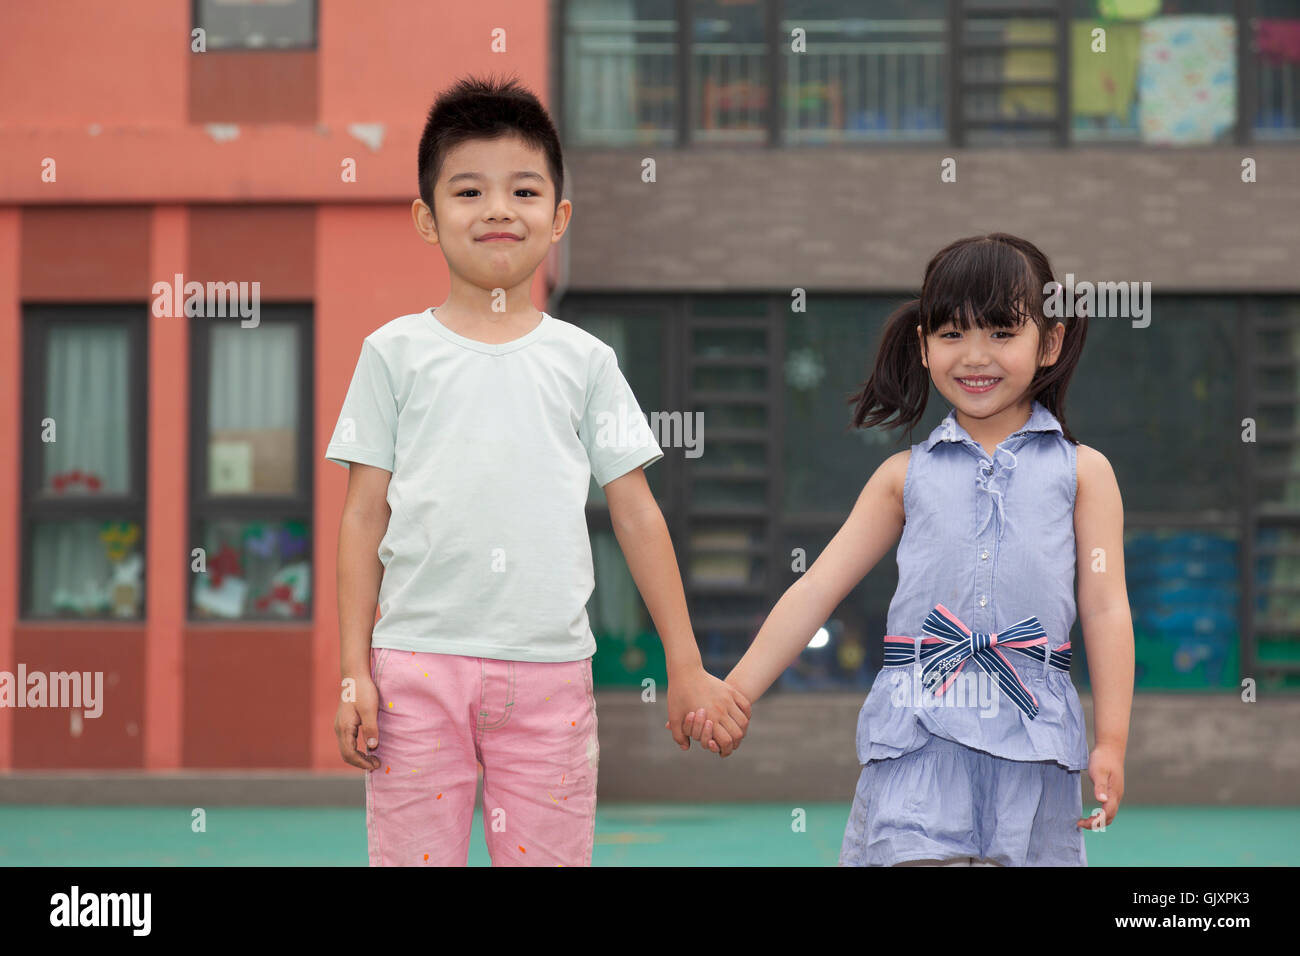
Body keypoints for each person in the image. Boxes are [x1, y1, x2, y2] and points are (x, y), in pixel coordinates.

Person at [326, 74, 751, 867]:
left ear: (557, 219)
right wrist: (354, 671)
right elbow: (361, 516)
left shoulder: (585, 361)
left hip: (551, 671)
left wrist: (684, 665)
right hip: (416, 666)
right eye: (468, 191)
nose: (496, 209)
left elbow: (637, 514)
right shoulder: (392, 353)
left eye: (523, 189)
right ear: (426, 219)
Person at [677, 233, 1133, 866]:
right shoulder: (902, 476)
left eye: (1002, 332)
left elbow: (1107, 608)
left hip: (1035, 743)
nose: (975, 355)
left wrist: (1110, 740)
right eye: (951, 334)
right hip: (920, 735)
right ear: (923, 346)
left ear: (1048, 342)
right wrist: (738, 690)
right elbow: (817, 587)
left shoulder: (1086, 473)